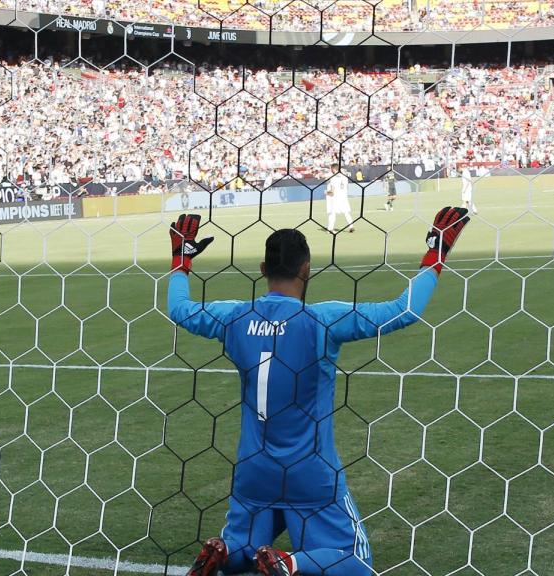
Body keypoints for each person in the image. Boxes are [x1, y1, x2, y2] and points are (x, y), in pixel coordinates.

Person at [172, 208, 471, 576]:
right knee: (355, 561)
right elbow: (404, 310)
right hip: (309, 471)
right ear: (307, 269)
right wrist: (435, 251)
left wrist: (181, 258)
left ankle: (224, 552)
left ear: (263, 270)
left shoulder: (234, 317)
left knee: (245, 546)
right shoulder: (322, 321)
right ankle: (290, 562)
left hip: (253, 468)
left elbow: (179, 309)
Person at [326, 163, 355, 233]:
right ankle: (351, 226)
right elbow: (347, 187)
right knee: (346, 212)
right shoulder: (345, 177)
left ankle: (330, 228)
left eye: (331, 169)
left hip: (335, 198)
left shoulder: (333, 177)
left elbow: (332, 191)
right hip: (343, 197)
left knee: (332, 213)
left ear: (333, 169)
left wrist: (326, 192)